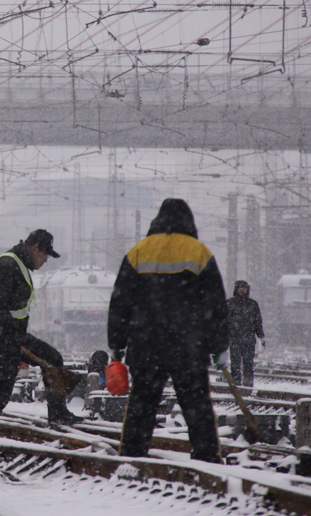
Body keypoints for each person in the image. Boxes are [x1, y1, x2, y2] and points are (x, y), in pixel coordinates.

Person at [108, 198, 229, 463]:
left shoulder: (139, 251)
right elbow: (215, 303)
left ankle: (132, 456)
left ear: (158, 220)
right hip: (188, 346)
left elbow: (120, 301)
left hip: (146, 344)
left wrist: (116, 342)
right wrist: (219, 345)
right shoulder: (198, 252)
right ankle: (207, 459)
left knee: (142, 405)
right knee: (197, 406)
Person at [0, 229, 81, 435]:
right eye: (45, 255)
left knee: (52, 359)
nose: (45, 260)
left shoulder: (17, 264)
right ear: (34, 248)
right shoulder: (7, 264)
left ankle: (58, 413)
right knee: (2, 390)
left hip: (9, 335)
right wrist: (11, 336)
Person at [226, 280, 265, 387]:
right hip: (235, 338)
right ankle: (236, 382)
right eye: (241, 288)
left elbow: (257, 321)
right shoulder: (229, 303)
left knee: (248, 363)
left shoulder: (252, 304)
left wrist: (261, 336)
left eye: (245, 288)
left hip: (248, 338)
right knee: (235, 363)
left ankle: (248, 383)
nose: (243, 290)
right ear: (236, 289)